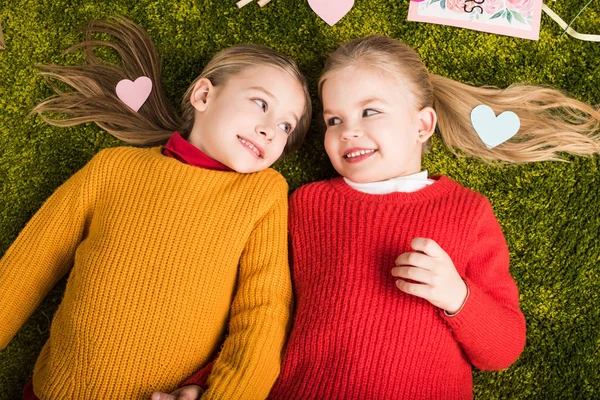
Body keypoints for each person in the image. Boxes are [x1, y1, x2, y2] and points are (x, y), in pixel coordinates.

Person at [158, 35, 600, 399]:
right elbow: (264, 311)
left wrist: (458, 297)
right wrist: (207, 383)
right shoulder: (305, 205)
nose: (348, 130)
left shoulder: (466, 211)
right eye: (333, 119)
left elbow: (502, 350)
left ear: (422, 124)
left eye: (370, 111)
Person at [0, 17, 312, 399]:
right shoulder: (112, 167)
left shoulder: (263, 192)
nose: (269, 129)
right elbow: (30, 264)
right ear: (203, 95)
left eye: (286, 126)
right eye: (261, 103)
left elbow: (263, 311)